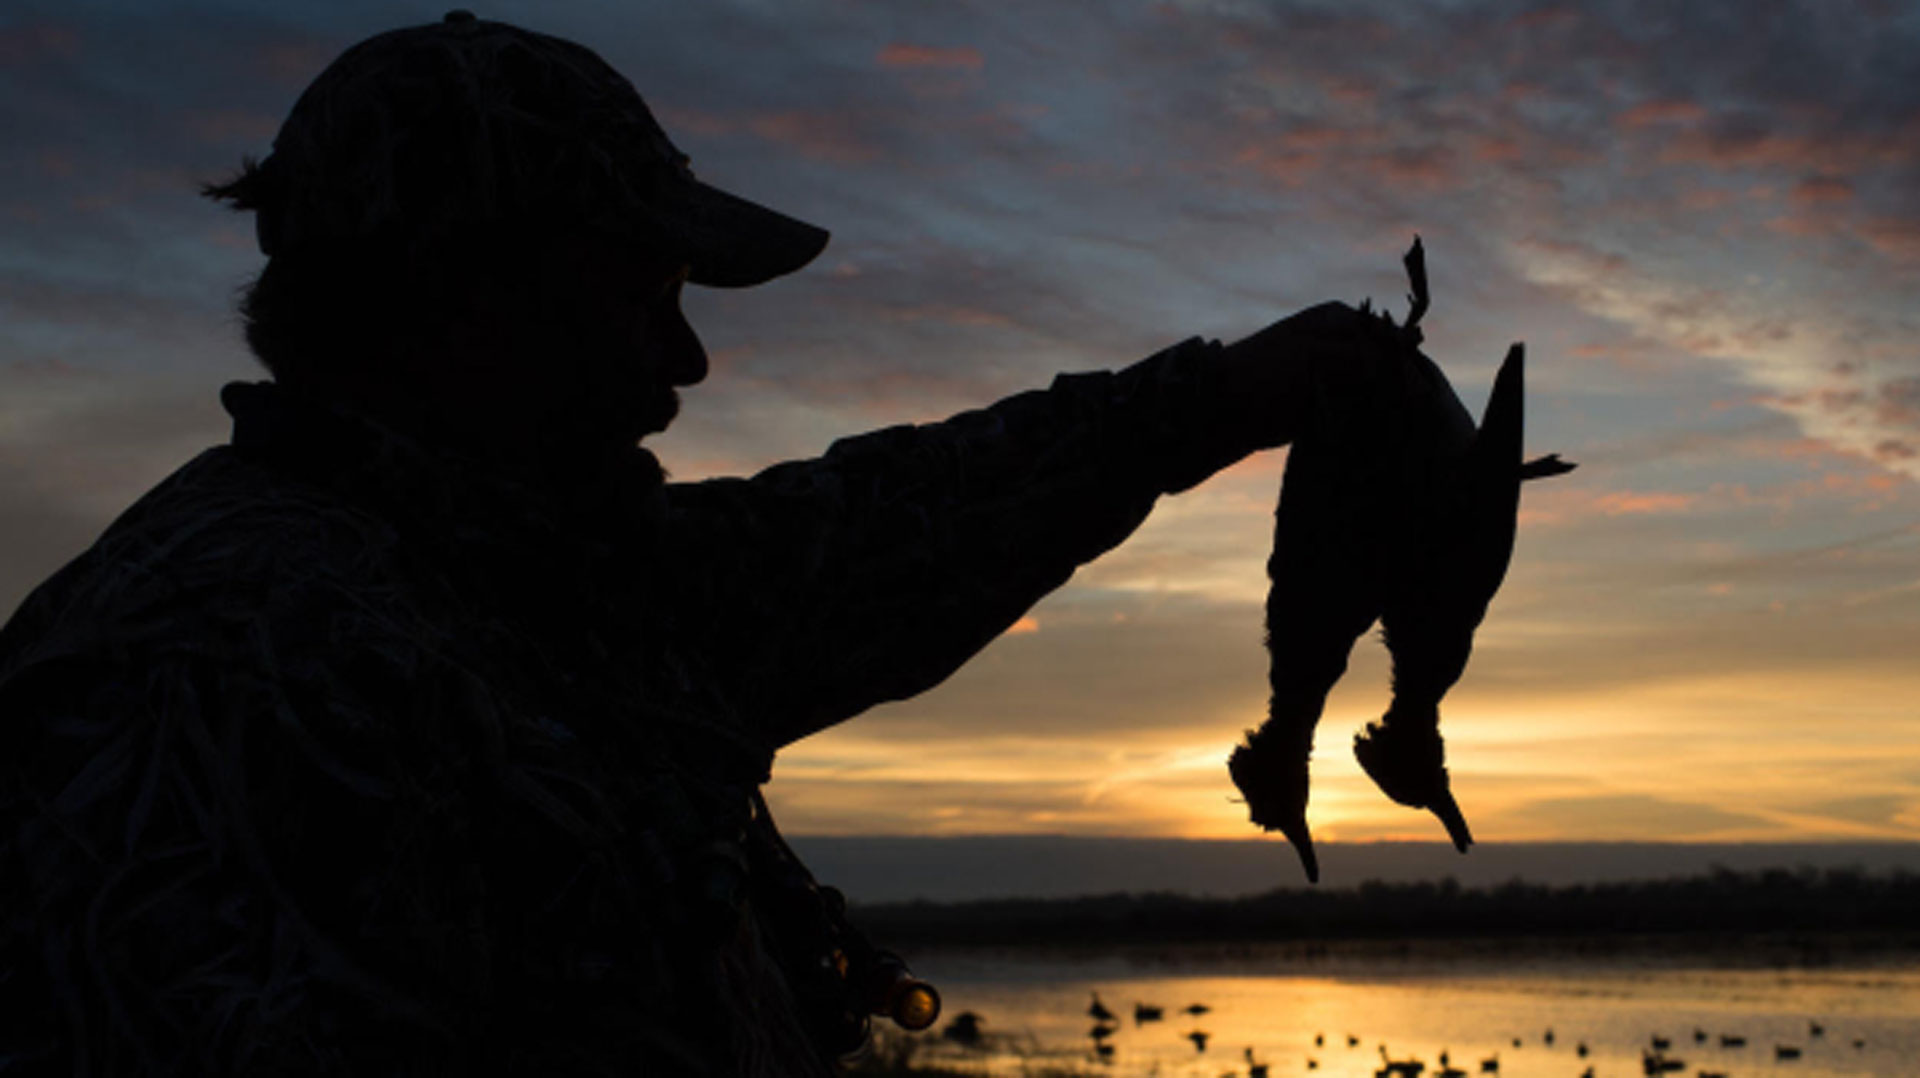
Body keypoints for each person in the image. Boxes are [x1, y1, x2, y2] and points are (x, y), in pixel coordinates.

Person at [0, 12, 1429, 1077]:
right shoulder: (210, 668)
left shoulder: (536, 581)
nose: (684, 360)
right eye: (645, 290)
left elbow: (873, 538)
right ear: (474, 298)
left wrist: (1224, 396)